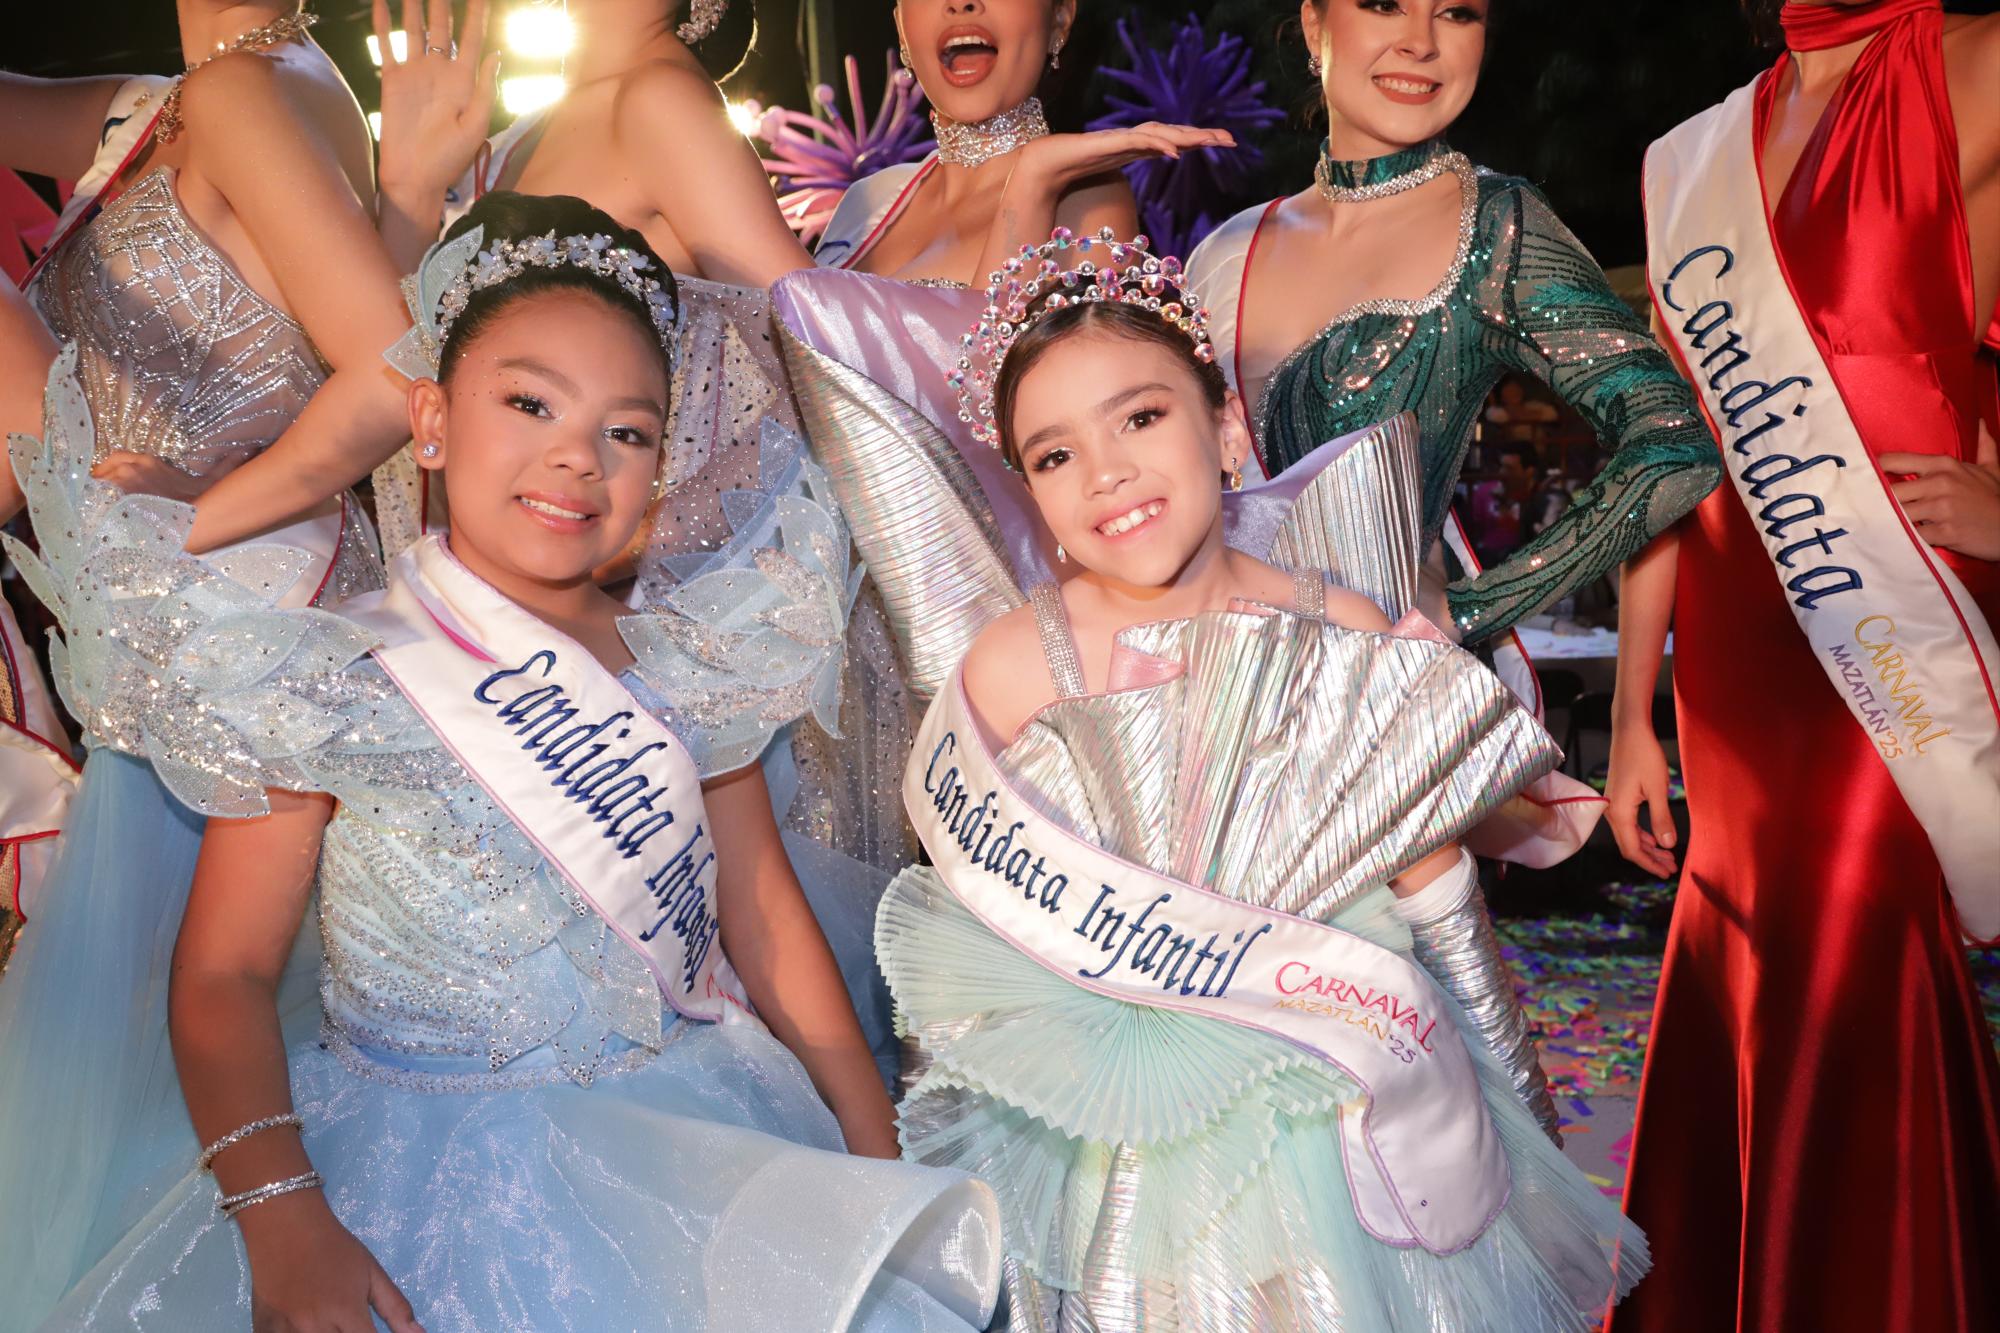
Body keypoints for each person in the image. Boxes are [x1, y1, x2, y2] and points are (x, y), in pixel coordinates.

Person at [25, 191, 1001, 1333]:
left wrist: (868, 1147)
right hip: (401, 1176)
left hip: (700, 1144)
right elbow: (223, 977)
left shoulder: (703, 658)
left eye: (625, 431)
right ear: (429, 422)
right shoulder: (327, 675)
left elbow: (766, 921)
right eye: (528, 402)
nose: (574, 457)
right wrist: (285, 1218)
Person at [774, 233, 1646, 1329]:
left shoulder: (1342, 629)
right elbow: (965, 953)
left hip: (1346, 1117)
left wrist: (1517, 1104)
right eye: (1052, 455)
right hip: (1117, 1147)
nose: (1107, 475)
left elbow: (1437, 897)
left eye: (1138, 417)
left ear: (1224, 429)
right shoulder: (1009, 668)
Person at [368, 0, 920, 1086]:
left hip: (644, 667)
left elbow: (825, 353)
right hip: (485, 636)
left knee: (707, 992)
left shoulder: (659, 99)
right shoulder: (512, 126)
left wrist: (693, 556)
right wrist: (408, 188)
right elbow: (396, 357)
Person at [0, 7, 413, 1326]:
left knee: (187, 1122)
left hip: (240, 677)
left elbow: (399, 367)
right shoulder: (176, 98)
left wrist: (208, 510)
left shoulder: (241, 89)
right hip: (168, 671)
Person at [1608, 2, 2000, 1330]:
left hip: (1884, 624)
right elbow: (1666, 457)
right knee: (1756, 955)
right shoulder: (1690, 156)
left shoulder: (1976, 69)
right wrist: (1629, 721)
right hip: (1731, 655)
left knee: (1852, 957)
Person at [1183, 0, 1720, 642]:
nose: (1420, 42)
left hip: (1384, 704)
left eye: (1457, 13)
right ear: (1314, 26)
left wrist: (1474, 609)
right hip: (1207, 684)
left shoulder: (1498, 229)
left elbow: (1674, 441)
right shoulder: (1222, 252)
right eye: (1385, 6)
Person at [815, 0, 1229, 288]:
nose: (961, 3)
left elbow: (1004, 400)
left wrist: (1034, 178)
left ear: (1060, 19)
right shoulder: (865, 202)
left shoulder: (1086, 201)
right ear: (901, 27)